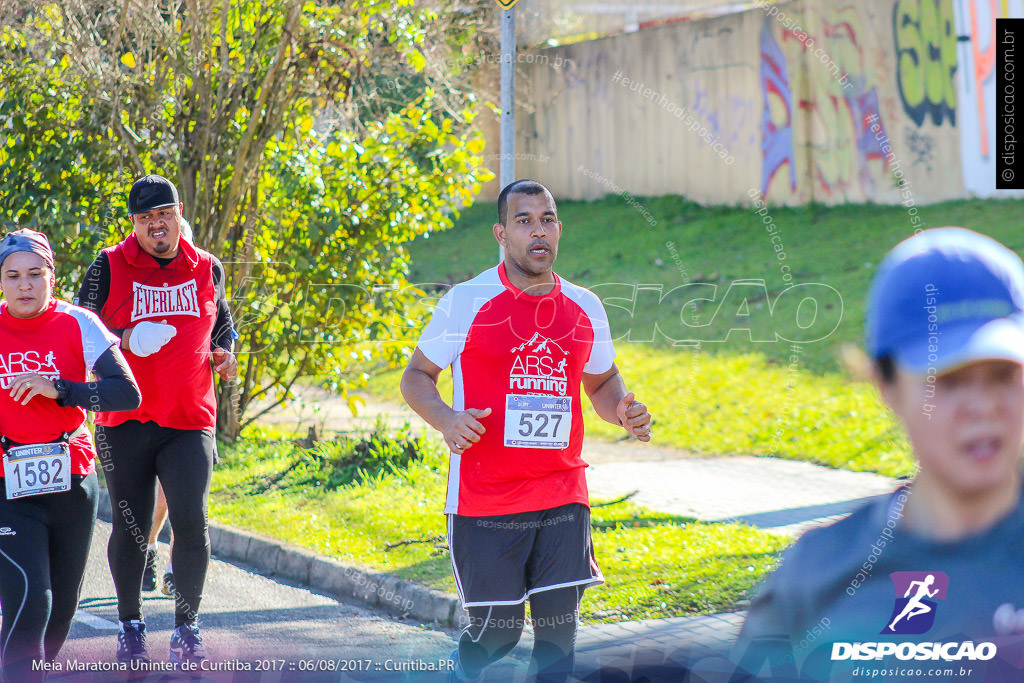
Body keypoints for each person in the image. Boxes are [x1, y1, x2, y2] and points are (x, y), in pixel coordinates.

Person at [732, 227, 1024, 682]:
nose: (983, 406)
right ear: (885, 385)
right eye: (947, 379)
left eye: (1003, 376)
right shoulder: (817, 580)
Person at [401, 179, 652, 682]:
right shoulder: (467, 302)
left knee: (558, 637)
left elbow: (601, 381)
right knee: (500, 632)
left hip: (562, 492)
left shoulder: (585, 306)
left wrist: (621, 410)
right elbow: (416, 377)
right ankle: (458, 672)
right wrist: (448, 418)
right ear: (501, 233)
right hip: (485, 499)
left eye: (547, 219)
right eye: (524, 221)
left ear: (559, 228)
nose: (539, 231)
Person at [75, 174, 237, 666]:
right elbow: (79, 325)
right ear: (134, 224)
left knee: (192, 522)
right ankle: (130, 624)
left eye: (163, 214)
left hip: (189, 418)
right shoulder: (108, 265)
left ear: (178, 211)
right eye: (145, 219)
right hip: (125, 418)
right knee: (131, 524)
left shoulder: (206, 265)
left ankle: (187, 629)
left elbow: (222, 320)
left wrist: (225, 352)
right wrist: (126, 338)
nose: (156, 225)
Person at [0, 229, 140, 683]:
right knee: (29, 604)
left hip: (73, 481)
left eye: (35, 274)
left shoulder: (79, 322)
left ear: (52, 277)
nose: (25, 285)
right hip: (7, 485)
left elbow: (127, 394)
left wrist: (60, 388)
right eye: (13, 276)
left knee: (59, 616)